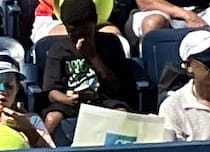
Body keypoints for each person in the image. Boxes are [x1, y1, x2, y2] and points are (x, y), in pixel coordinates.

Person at [42, 0, 138, 143]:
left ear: (94, 24)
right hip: (69, 103)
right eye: (74, 33)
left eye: (86, 33)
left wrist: (92, 56)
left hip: (103, 99)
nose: (80, 38)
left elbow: (118, 86)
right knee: (52, 118)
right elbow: (51, 91)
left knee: (121, 114)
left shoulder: (111, 44)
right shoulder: (59, 49)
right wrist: (68, 99)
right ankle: (40, 150)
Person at [0, 52, 55, 146]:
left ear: (17, 88)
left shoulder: (32, 121)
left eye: (9, 86)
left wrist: (29, 131)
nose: (3, 91)